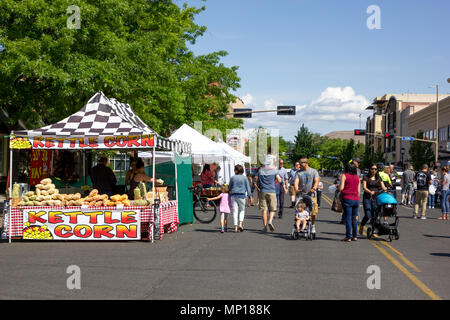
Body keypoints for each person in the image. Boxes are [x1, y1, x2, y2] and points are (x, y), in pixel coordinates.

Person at [294, 158, 320, 235]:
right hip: (302, 195)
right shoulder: (298, 173)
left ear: (305, 163)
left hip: (312, 195)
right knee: (300, 211)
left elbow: (316, 180)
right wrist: (296, 189)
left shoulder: (313, 171)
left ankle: (312, 225)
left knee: (313, 212)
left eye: (300, 163)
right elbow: (296, 182)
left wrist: (314, 187)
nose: (299, 165)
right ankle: (302, 226)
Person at [360, 164, 387, 237]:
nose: (373, 170)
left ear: (377, 170)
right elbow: (364, 187)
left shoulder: (379, 178)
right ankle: (362, 225)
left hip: (376, 198)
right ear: (370, 169)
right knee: (368, 215)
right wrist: (370, 192)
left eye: (375, 169)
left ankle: (374, 231)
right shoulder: (366, 177)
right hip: (367, 198)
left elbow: (383, 187)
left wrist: (385, 189)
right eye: (372, 169)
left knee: (375, 215)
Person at [255, 160, 282, 233]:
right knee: (273, 208)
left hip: (263, 191)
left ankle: (265, 227)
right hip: (272, 191)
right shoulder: (274, 171)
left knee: (264, 209)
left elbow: (256, 179)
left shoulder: (260, 171)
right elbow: (279, 180)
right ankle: (270, 221)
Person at [339, 162, 360, 242]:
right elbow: (358, 191)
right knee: (354, 219)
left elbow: (341, 188)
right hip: (356, 199)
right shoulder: (357, 177)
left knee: (348, 218)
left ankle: (348, 236)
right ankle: (355, 236)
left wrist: (338, 187)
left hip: (347, 198)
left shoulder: (345, 176)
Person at [229, 165, 252, 233]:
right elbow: (248, 187)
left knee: (235, 211)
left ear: (236, 170)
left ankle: (235, 227)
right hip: (242, 195)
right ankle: (240, 224)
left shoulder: (232, 178)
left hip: (233, 195)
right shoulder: (245, 178)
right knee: (242, 210)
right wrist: (250, 196)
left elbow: (230, 187)